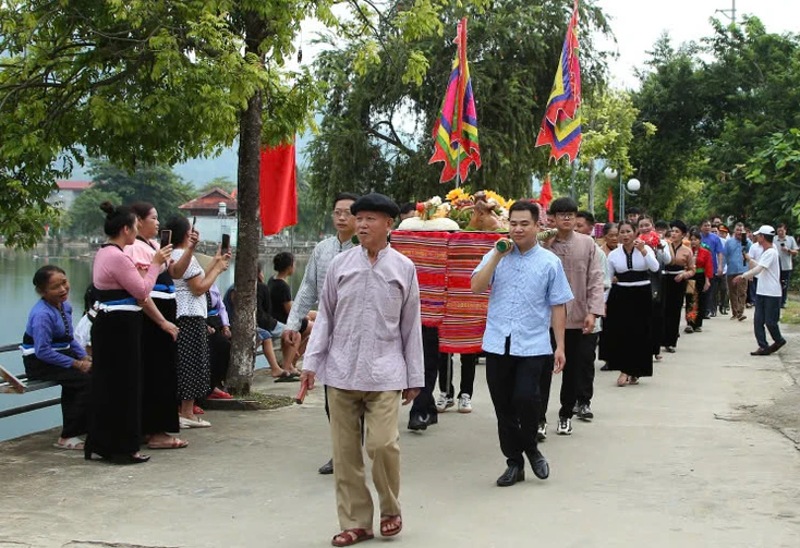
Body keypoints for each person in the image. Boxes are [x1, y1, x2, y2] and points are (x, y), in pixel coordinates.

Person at [300, 193, 423, 546]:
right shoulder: (341, 266)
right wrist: (311, 364)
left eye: (371, 218)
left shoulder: (404, 268)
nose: (363, 224)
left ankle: (389, 507)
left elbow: (411, 326)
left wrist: (415, 378)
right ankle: (356, 522)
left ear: (389, 224)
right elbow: (324, 318)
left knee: (383, 445)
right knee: (345, 452)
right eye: (359, 218)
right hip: (340, 372)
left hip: (386, 372)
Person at [472, 200, 572, 487]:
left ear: (537, 225)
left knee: (527, 399)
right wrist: (496, 256)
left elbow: (557, 306)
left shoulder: (549, 262)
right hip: (496, 343)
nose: (517, 229)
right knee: (503, 407)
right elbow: (477, 287)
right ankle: (514, 462)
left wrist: (560, 346)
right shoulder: (495, 254)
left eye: (524, 224)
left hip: (533, 345)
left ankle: (531, 447)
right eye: (513, 223)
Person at [86, 201, 171, 464]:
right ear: (125, 229)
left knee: (109, 386)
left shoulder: (105, 253)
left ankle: (102, 442)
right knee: (125, 387)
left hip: (113, 325)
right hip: (120, 328)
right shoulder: (118, 256)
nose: (136, 233)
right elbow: (142, 291)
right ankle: (123, 447)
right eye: (135, 227)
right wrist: (156, 264)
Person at [282, 192, 358, 475]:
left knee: (358, 395)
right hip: (328, 331)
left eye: (348, 213)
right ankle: (341, 453)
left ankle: (356, 449)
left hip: (358, 331)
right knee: (332, 396)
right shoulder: (322, 250)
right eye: (337, 212)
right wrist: (293, 323)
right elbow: (307, 290)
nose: (341, 217)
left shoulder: (366, 249)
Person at [126, 202, 192, 450]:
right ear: (138, 221)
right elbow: (141, 291)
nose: (157, 222)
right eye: (153, 218)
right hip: (153, 317)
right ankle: (154, 431)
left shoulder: (154, 246)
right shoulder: (135, 249)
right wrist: (162, 321)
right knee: (156, 373)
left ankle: (153, 427)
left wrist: (189, 249)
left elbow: (174, 273)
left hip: (165, 309)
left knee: (164, 371)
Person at [540, 199, 604, 435]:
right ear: (552, 218)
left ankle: (565, 413)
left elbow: (595, 279)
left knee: (573, 369)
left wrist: (593, 311)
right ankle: (539, 419)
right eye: (561, 214)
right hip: (545, 318)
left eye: (570, 214)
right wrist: (545, 244)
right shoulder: (542, 241)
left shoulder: (587, 244)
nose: (566, 219)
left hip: (576, 316)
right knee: (542, 370)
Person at [166, 215, 231, 429]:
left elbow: (196, 275)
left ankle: (182, 410)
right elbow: (199, 287)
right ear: (188, 234)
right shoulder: (187, 257)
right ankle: (187, 411)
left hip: (178, 313)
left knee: (184, 361)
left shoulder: (170, 255)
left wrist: (215, 262)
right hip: (191, 315)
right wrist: (218, 271)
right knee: (192, 363)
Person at [21, 266, 92, 451]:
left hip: (59, 356)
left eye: (64, 283)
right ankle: (67, 435)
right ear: (43, 291)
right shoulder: (42, 314)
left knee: (94, 374)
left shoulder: (65, 307)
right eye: (55, 287)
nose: (63, 289)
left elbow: (68, 339)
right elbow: (42, 351)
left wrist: (84, 356)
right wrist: (76, 364)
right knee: (84, 381)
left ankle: (80, 428)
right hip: (39, 362)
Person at [605, 221, 660, 386]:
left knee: (641, 333)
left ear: (635, 233)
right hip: (621, 295)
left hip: (642, 294)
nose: (625, 235)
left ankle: (636, 370)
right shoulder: (613, 255)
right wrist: (603, 302)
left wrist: (643, 251)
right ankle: (624, 369)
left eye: (628, 231)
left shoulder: (646, 249)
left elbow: (655, 267)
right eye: (622, 232)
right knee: (624, 333)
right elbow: (607, 279)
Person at [734, 225, 787, 355]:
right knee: (758, 320)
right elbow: (759, 266)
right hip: (762, 291)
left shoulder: (771, 252)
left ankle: (779, 340)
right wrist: (749, 259)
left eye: (758, 235)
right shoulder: (765, 252)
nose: (756, 237)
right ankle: (763, 346)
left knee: (770, 321)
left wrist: (743, 276)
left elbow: (759, 269)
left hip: (772, 292)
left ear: (763, 237)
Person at [268, 251, 313, 369]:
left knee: (316, 315)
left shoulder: (272, 280)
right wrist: (304, 316)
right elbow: (290, 312)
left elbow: (286, 304)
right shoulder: (283, 286)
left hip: (277, 315)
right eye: (294, 264)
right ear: (289, 267)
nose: (295, 266)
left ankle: (292, 355)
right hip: (284, 319)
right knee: (315, 328)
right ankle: (292, 360)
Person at [257, 264, 300, 380]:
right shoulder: (263, 287)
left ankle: (288, 364)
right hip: (266, 322)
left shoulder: (271, 280)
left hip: (265, 321)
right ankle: (287, 368)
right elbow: (268, 310)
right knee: (295, 334)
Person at [662, 221, 694, 352]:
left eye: (677, 231)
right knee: (663, 309)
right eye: (672, 231)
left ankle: (671, 341)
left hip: (679, 281)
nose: (673, 234)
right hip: (665, 278)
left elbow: (692, 269)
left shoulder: (687, 251)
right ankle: (661, 339)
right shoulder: (664, 246)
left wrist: (684, 275)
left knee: (675, 311)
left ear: (683, 235)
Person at [206, 282, 233, 399]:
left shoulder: (213, 286)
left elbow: (221, 307)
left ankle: (216, 383)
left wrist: (225, 325)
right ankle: (208, 387)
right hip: (202, 319)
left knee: (225, 346)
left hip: (215, 321)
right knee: (210, 351)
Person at [685, 229, 713, 334]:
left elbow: (708, 267)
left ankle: (698, 323)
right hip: (691, 276)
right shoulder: (687, 251)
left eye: (695, 239)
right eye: (691, 239)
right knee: (690, 298)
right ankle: (690, 323)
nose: (693, 242)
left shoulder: (705, 252)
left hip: (701, 276)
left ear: (699, 240)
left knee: (701, 299)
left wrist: (707, 280)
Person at [724, 222, 751, 321]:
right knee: (732, 292)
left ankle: (740, 312)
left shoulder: (747, 242)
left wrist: (745, 240)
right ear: (734, 231)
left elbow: (751, 254)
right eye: (737, 230)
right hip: (731, 269)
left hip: (743, 270)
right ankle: (734, 312)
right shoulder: (729, 242)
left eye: (741, 230)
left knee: (742, 291)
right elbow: (725, 256)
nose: (739, 232)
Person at [700, 219, 725, 318]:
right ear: (701, 227)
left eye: (708, 226)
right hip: (699, 267)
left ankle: (709, 309)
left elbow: (719, 252)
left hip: (711, 267)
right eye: (705, 225)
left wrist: (720, 266)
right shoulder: (698, 237)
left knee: (711, 290)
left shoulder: (715, 238)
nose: (707, 227)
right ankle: (702, 309)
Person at [775, 223, 798, 308]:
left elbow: (796, 252)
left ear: (785, 230)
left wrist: (788, 250)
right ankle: (776, 300)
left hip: (786, 266)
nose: (780, 232)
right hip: (776, 266)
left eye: (782, 230)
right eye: (778, 231)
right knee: (776, 283)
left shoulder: (790, 239)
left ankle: (783, 301)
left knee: (784, 284)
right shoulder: (774, 239)